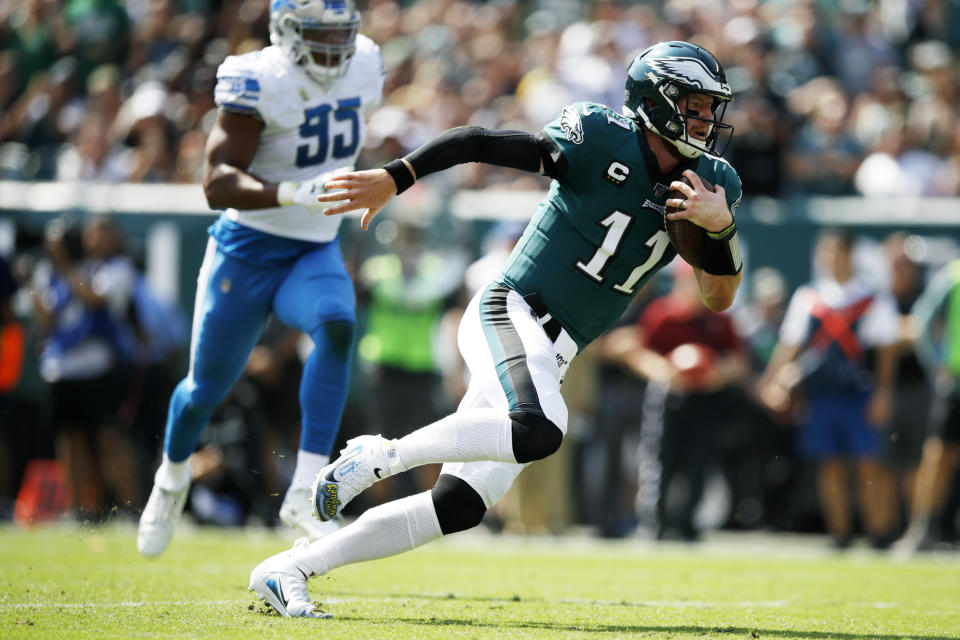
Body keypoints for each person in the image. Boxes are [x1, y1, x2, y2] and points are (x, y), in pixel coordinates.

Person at [247, 40, 744, 618]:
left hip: (554, 352)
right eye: (695, 104)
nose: (707, 118)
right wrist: (396, 176)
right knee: (539, 428)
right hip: (512, 309)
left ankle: (290, 569)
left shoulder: (714, 184)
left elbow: (719, 295)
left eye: (712, 106)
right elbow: (477, 142)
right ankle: (381, 455)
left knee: (458, 505)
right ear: (656, 100)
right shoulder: (599, 136)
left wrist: (721, 230)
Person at [137, 0, 385, 557]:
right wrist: (290, 191)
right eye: (320, 35)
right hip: (247, 250)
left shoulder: (366, 63)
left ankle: (305, 488)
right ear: (287, 32)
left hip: (314, 247)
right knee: (206, 388)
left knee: (338, 323)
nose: (335, 48)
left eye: (341, 34)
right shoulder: (258, 78)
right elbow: (216, 183)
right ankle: (171, 477)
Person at [759, 229, 899, 549]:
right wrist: (772, 381)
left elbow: (886, 351)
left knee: (868, 462)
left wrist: (883, 393)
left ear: (850, 254)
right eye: (826, 252)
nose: (831, 259)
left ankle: (878, 533)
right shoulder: (809, 296)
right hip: (821, 394)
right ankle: (840, 534)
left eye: (837, 251)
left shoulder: (872, 296)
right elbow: (790, 345)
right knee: (829, 463)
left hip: (858, 391)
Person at [892, 257, 960, 556]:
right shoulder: (953, 276)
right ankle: (921, 529)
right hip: (956, 384)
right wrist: (937, 367)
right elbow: (923, 321)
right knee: (938, 456)